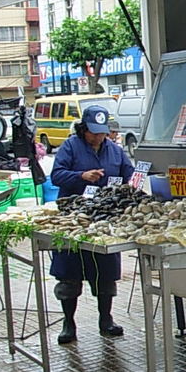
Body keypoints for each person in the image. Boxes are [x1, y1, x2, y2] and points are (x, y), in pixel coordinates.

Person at [50, 105, 134, 344]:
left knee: (105, 270)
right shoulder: (70, 146)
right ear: (83, 129)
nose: (98, 137)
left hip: (104, 218)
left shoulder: (116, 151)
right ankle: (69, 323)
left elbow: (131, 174)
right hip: (73, 216)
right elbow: (56, 175)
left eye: (102, 132)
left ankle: (106, 319)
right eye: (93, 132)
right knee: (69, 271)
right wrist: (81, 176)